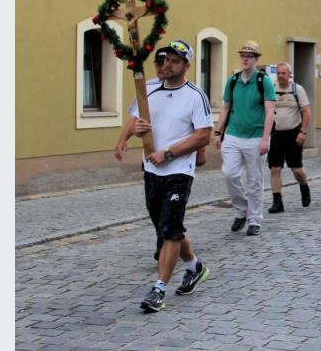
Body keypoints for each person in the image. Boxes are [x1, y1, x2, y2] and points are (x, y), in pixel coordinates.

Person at [132, 40, 213, 312]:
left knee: (169, 227)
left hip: (178, 171)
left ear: (186, 65)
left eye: (175, 61)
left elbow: (204, 134)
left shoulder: (194, 95)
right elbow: (136, 123)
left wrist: (168, 153)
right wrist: (137, 129)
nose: (167, 64)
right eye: (165, 59)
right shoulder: (151, 90)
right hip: (151, 170)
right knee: (169, 227)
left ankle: (158, 290)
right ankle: (194, 267)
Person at [214, 40, 276, 236]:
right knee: (229, 174)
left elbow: (270, 111)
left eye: (249, 56)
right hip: (233, 135)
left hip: (256, 137)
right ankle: (241, 210)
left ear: (256, 59)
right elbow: (225, 108)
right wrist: (218, 132)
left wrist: (265, 139)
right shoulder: (232, 81)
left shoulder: (263, 81)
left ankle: (255, 219)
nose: (245, 58)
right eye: (243, 55)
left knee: (254, 181)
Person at [115, 48, 166, 261]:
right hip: (150, 158)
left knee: (170, 205)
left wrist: (200, 150)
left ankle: (165, 243)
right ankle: (162, 236)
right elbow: (135, 118)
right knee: (153, 204)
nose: (163, 67)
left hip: (175, 158)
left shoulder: (185, 89)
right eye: (159, 63)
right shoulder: (147, 88)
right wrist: (122, 140)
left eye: (168, 62)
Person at [267, 62, 312, 213]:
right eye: (278, 73)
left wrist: (303, 132)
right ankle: (277, 201)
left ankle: (304, 185)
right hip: (276, 134)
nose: (280, 76)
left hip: (293, 133)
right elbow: (265, 110)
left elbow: (306, 112)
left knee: (296, 169)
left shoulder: (297, 89)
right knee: (275, 168)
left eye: (283, 73)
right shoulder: (271, 89)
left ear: (289, 74)